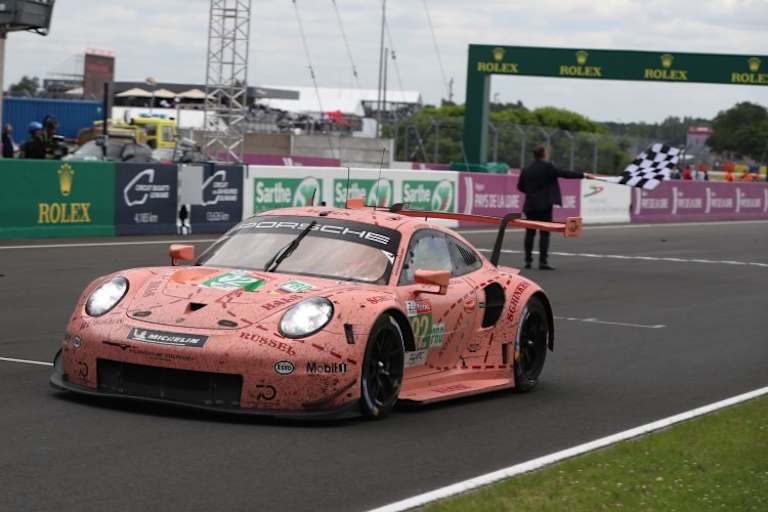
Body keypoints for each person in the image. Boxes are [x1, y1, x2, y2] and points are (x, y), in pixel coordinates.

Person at [517, 145, 593, 270]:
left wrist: (531, 192)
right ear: (544, 154)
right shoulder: (548, 167)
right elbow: (564, 173)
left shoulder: (526, 169)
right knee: (544, 233)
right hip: (545, 205)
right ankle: (543, 261)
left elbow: (520, 187)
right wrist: (583, 175)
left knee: (530, 233)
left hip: (530, 205)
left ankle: (528, 261)